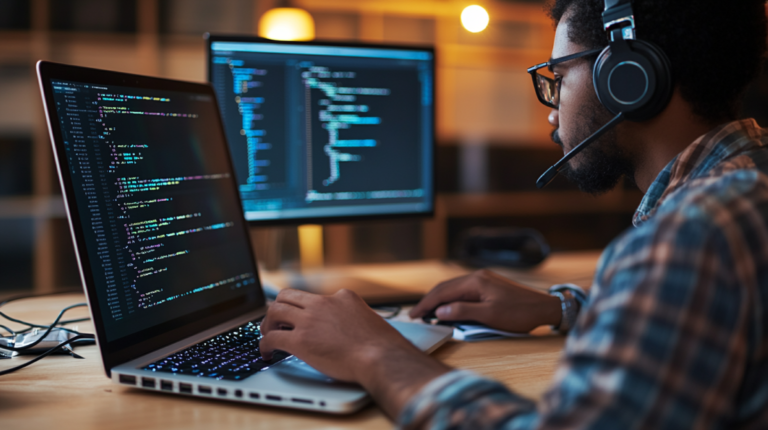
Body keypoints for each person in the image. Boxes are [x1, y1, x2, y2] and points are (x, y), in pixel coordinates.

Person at [259, 0, 768, 428]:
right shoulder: (744, 188)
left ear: (629, 79)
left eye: (560, 75)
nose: (550, 110)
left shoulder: (696, 236)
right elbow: (694, 309)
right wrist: (561, 307)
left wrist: (376, 353)